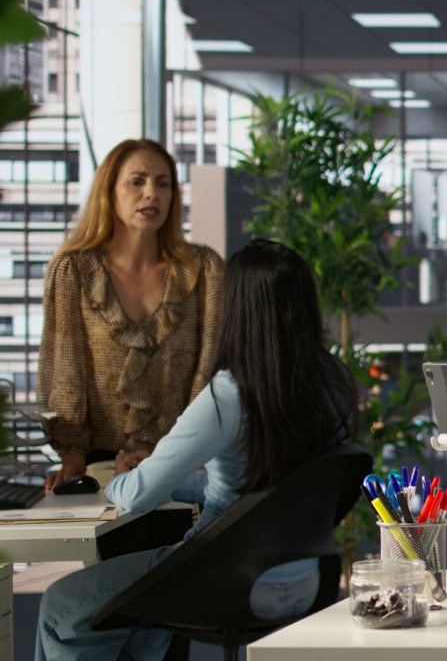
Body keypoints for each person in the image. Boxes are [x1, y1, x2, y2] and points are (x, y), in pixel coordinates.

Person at [35, 239, 360, 661]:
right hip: (306, 583)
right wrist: (183, 481)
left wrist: (117, 479)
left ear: (238, 309)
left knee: (60, 606)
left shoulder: (231, 394)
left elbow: (137, 496)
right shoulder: (333, 385)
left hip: (223, 580)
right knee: (132, 624)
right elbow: (260, 488)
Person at [38, 138, 225, 491]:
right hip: (98, 469)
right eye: (137, 182)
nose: (151, 193)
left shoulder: (204, 271)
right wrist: (72, 456)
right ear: (109, 191)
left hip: (186, 468)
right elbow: (65, 372)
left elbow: (212, 367)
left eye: (162, 183)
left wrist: (189, 452)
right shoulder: (74, 271)